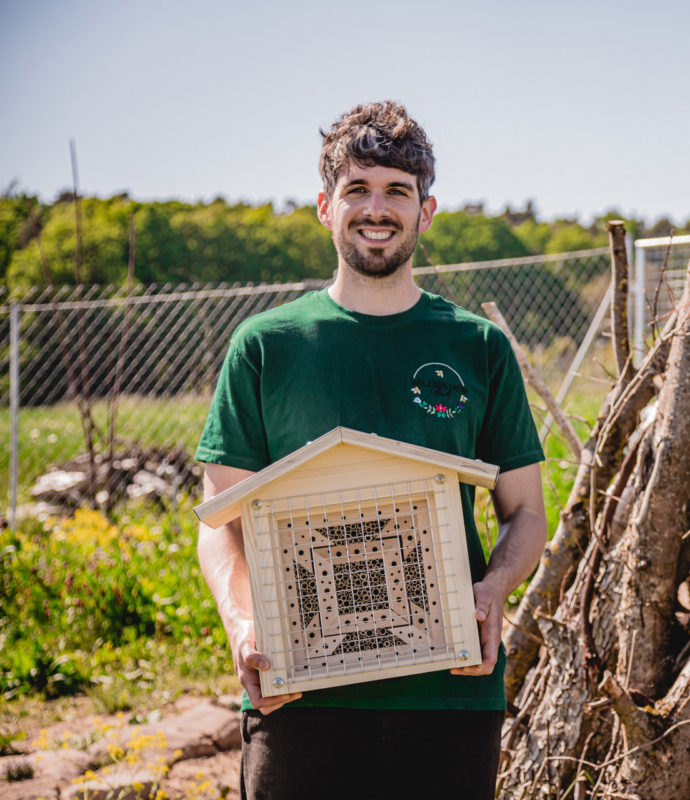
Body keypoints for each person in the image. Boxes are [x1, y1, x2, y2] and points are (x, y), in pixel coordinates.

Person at [195, 100, 547, 799]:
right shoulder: (266, 346)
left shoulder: (477, 346)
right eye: (358, 189)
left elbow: (526, 513)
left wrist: (491, 591)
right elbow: (219, 521)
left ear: (427, 210)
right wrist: (242, 626)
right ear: (326, 207)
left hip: (448, 692)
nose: (376, 208)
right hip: (298, 695)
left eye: (397, 191)